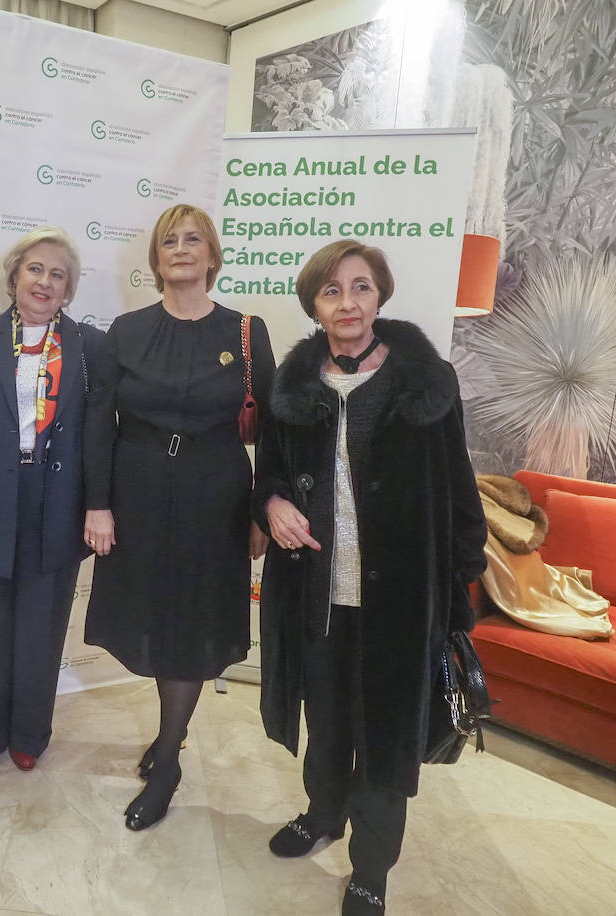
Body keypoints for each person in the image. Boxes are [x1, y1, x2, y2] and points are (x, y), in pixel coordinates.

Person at [251, 239, 487, 915]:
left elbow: (461, 493)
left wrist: (457, 595)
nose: (347, 302)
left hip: (404, 600)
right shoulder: (295, 388)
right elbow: (267, 471)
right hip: (317, 590)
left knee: (384, 732)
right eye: (332, 291)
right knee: (325, 717)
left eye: (360, 287)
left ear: (379, 295)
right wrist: (272, 504)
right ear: (315, 305)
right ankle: (323, 811)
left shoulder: (425, 382)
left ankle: (371, 865)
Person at [82, 203, 275, 831]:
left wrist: (262, 511)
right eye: (171, 240)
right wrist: (98, 502)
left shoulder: (247, 331)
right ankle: (168, 745)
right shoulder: (126, 331)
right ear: (156, 259)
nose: (183, 248)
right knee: (149, 614)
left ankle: (167, 757)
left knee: (192, 624)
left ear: (213, 256)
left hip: (215, 497)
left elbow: (274, 432)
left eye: (195, 239)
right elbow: (97, 426)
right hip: (135, 496)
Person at [0, 228, 105, 777]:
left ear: (69, 289)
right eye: (35, 270)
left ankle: (28, 735)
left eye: (57, 274)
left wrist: (99, 505)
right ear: (14, 276)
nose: (45, 282)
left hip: (56, 500)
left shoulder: (89, 347)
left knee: (41, 627)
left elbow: (99, 434)